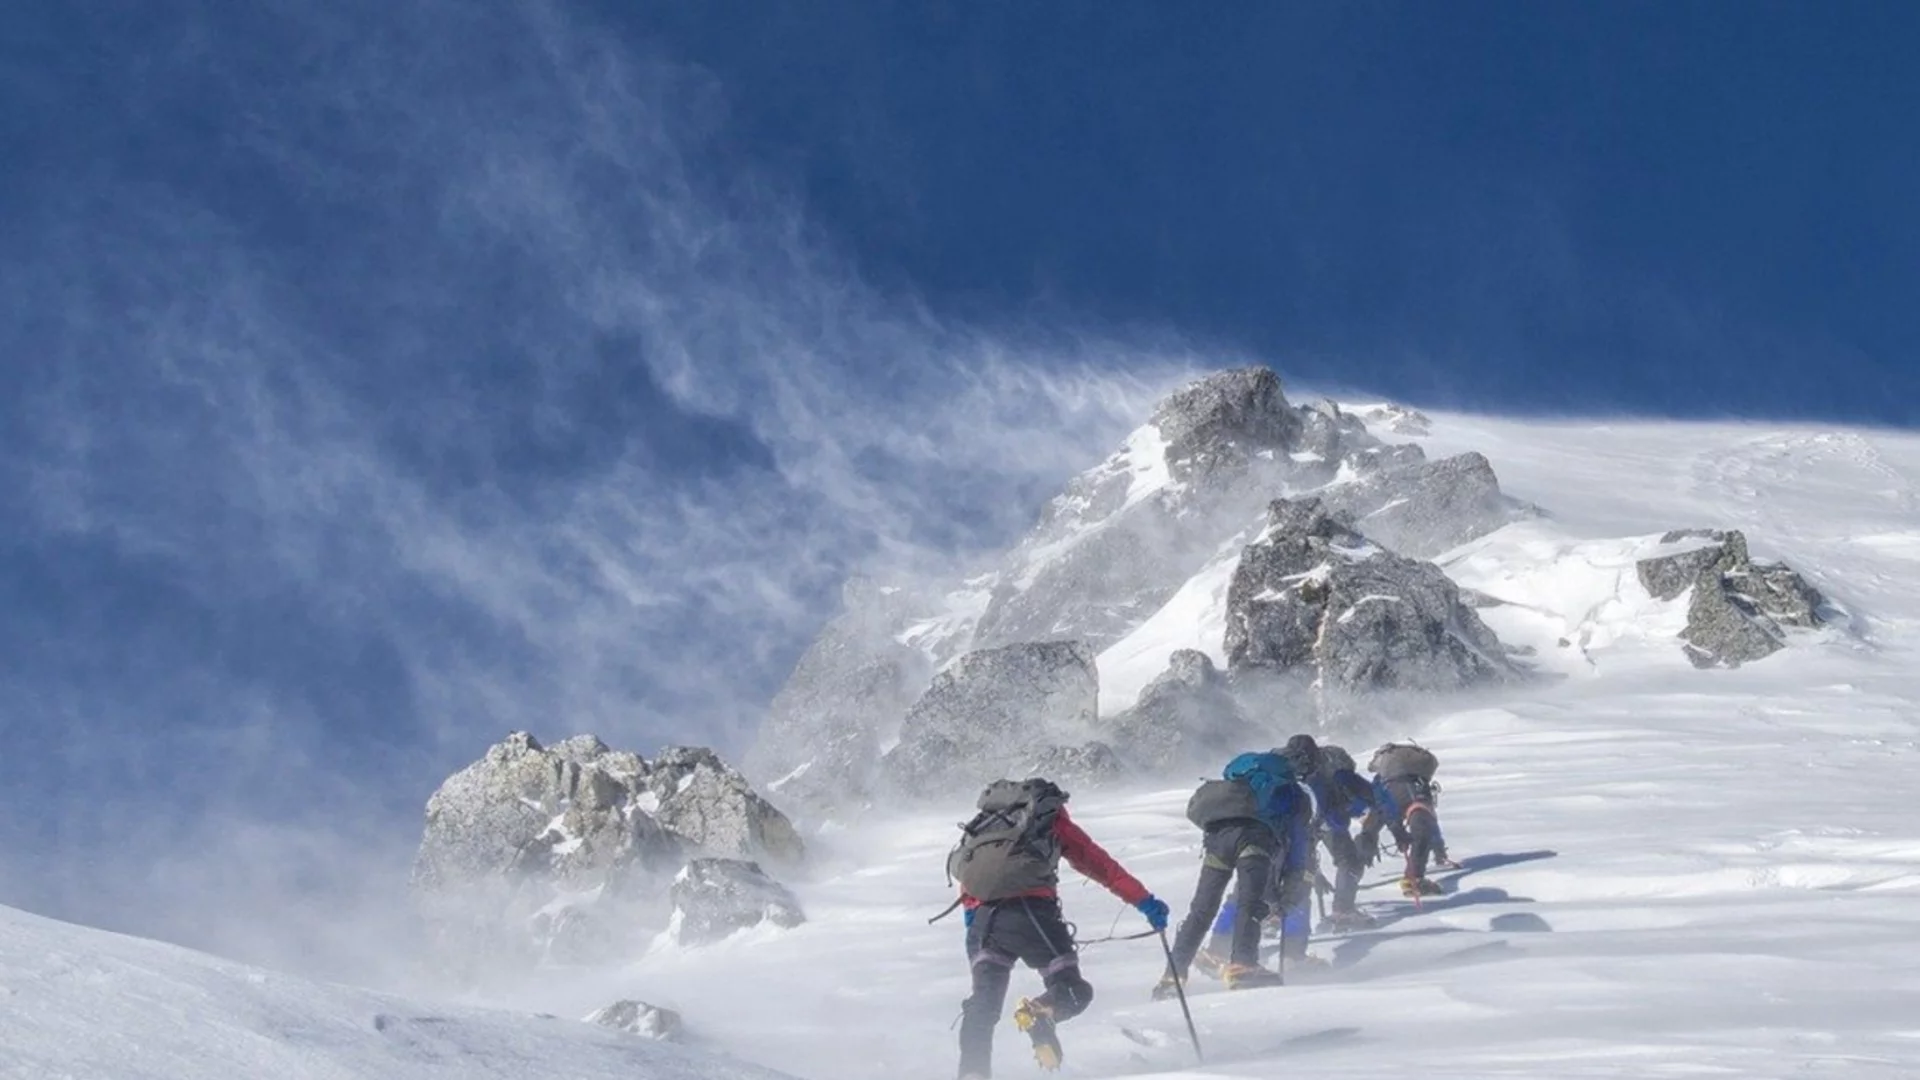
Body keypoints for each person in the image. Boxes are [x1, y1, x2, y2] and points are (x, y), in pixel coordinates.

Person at [945, 777, 1168, 1079]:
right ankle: (1041, 1012)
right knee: (1073, 990)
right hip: (1034, 917)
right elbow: (1100, 866)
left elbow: (970, 887)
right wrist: (1145, 902)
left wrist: (976, 940)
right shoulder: (1049, 820)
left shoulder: (985, 827)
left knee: (983, 1006)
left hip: (984, 924)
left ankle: (972, 1073)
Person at [1154, 751, 1307, 996]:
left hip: (1218, 836)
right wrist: (1292, 885)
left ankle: (1173, 975)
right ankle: (1243, 966)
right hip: (1254, 839)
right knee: (1250, 903)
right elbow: (1298, 845)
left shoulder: (1241, 779)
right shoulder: (1294, 794)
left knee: (1202, 908)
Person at [1282, 735, 1382, 932]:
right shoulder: (1329, 769)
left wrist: (1316, 873)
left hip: (1293, 825)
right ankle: (1343, 911)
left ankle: (1274, 915)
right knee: (1349, 861)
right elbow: (1358, 799)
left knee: (1299, 868)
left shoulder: (1287, 772)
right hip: (1328, 822)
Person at [1357, 741, 1450, 897]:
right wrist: (1439, 850)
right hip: (1414, 795)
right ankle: (1414, 879)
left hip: (1386, 795)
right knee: (1422, 828)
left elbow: (1378, 803)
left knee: (1369, 832)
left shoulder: (1383, 777)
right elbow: (1430, 825)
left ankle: (1350, 876)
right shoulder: (1420, 782)